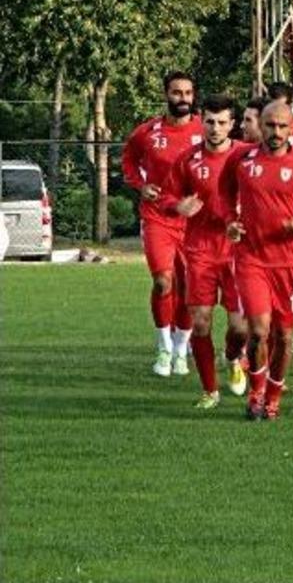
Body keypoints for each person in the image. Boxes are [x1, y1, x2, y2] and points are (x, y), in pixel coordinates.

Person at [217, 101, 293, 421]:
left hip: (289, 263)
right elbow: (224, 192)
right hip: (251, 258)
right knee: (258, 330)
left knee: (284, 336)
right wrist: (231, 219)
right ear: (260, 126)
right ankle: (256, 392)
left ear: (292, 128)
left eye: (282, 126)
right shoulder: (242, 159)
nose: (276, 132)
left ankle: (274, 395)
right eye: (270, 125)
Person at [161, 94, 249, 409]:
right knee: (200, 322)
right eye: (209, 121)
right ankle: (210, 390)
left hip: (239, 251)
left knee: (240, 326)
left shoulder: (246, 156)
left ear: (233, 124)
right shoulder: (187, 160)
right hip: (199, 251)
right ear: (202, 121)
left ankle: (233, 356)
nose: (215, 128)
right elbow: (167, 198)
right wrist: (177, 206)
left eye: (222, 122)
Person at [121, 71, 204, 377]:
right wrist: (140, 185)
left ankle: (182, 348)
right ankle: (164, 345)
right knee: (163, 282)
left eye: (187, 93)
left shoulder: (203, 130)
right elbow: (129, 160)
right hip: (157, 217)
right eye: (176, 92)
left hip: (193, 222)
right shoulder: (148, 132)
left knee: (187, 288)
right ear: (166, 95)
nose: (182, 98)